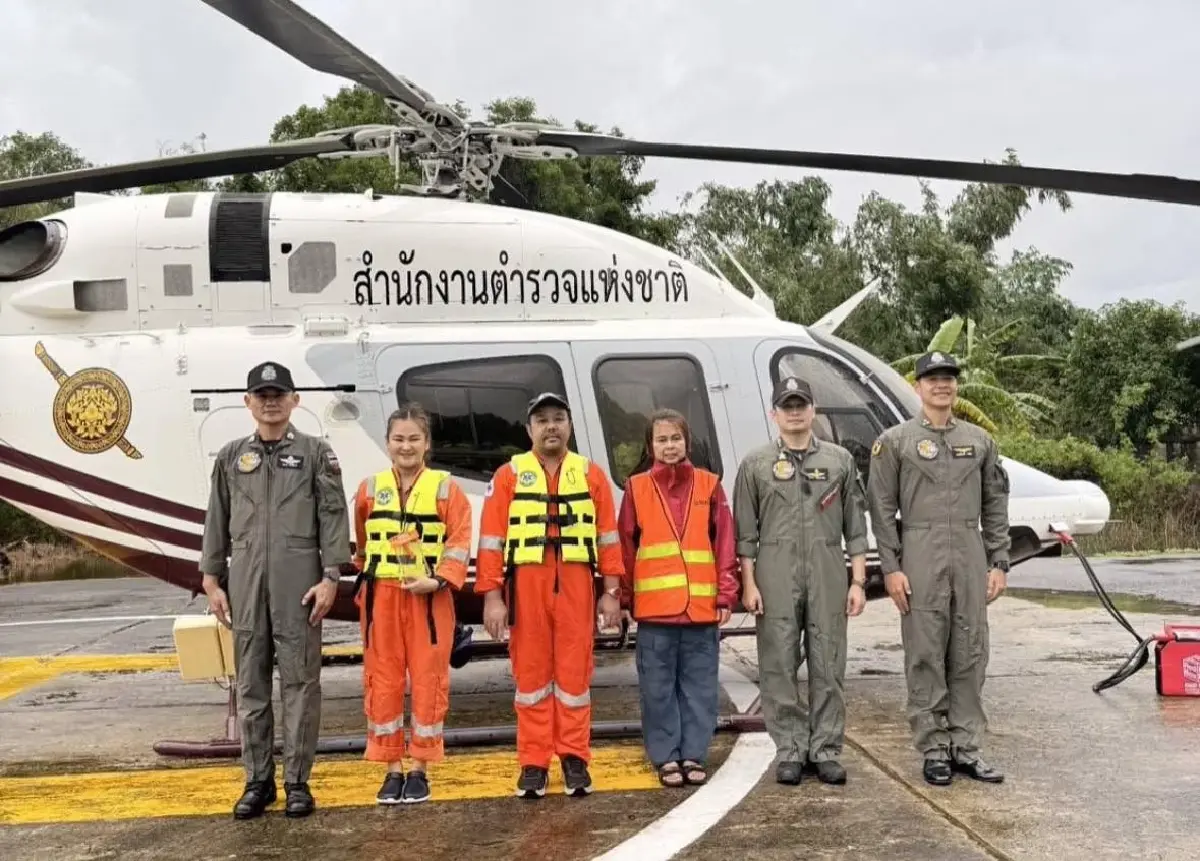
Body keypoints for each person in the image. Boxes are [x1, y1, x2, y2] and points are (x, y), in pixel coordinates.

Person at [199, 361, 352, 819]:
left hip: (298, 586)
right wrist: (210, 577)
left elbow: (333, 517)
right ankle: (257, 781)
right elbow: (216, 518)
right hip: (245, 583)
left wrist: (331, 577)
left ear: (294, 401)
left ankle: (298, 782)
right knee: (251, 685)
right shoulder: (230, 457)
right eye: (261, 394)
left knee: (302, 684)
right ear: (247, 402)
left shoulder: (315, 453)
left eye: (279, 394)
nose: (270, 401)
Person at [866, 351, 1011, 787]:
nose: (941, 385)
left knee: (969, 652)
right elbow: (881, 508)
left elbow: (995, 505)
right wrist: (891, 567)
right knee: (926, 653)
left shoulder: (980, 442)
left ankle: (967, 748)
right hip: (920, 552)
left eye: (948, 378)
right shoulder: (894, 442)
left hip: (968, 552)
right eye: (933, 379)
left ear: (956, 386)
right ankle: (933, 749)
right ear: (918, 386)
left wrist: (998, 560)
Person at [475, 392, 624, 799]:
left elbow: (608, 539)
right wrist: (492, 597)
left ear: (570, 426)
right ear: (529, 430)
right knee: (532, 678)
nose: (551, 426)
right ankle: (533, 762)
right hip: (526, 586)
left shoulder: (591, 475)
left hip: (577, 584)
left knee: (575, 677)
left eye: (559, 418)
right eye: (542, 420)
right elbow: (491, 541)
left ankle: (575, 757)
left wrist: (611, 592)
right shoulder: (508, 476)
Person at [733, 375, 869, 786]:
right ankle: (790, 748)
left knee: (829, 661)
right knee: (778, 663)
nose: (794, 412)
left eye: (801, 404)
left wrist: (858, 581)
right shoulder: (755, 465)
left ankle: (825, 749)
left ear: (813, 411)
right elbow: (745, 533)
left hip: (827, 566)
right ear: (774, 414)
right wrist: (749, 583)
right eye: (786, 405)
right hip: (774, 570)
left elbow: (855, 528)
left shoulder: (839, 461)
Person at [351, 402, 472, 805]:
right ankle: (390, 768)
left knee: (428, 680)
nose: (406, 446)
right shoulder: (368, 489)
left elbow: (458, 543)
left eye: (414, 439)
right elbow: (362, 543)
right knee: (382, 681)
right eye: (399, 439)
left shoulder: (447, 489)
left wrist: (436, 581)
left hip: (429, 600)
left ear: (427, 444)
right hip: (381, 597)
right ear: (387, 443)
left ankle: (420, 766)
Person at [617, 408, 739, 787]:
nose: (669, 446)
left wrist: (725, 595)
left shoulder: (709, 485)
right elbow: (624, 547)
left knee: (700, 689)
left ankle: (693, 754)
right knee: (657, 690)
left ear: (687, 441)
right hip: (654, 614)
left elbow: (724, 543)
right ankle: (666, 757)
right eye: (661, 440)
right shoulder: (636, 488)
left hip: (701, 611)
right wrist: (623, 601)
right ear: (650, 446)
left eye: (676, 438)